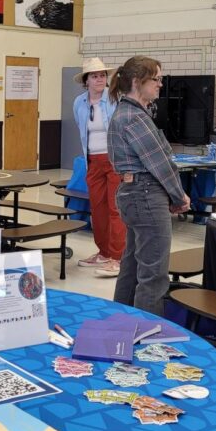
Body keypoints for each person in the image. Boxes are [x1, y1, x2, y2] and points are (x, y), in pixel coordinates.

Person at [107, 56, 191, 317]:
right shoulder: (133, 117)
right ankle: (147, 334)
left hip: (135, 194)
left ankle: (121, 322)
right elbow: (160, 164)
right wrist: (179, 196)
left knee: (132, 267)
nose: (160, 85)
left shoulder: (128, 113)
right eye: (156, 79)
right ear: (136, 81)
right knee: (153, 274)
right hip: (145, 194)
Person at [72, 56, 125, 278]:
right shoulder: (79, 103)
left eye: (102, 75)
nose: (100, 79)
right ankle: (103, 252)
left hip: (113, 160)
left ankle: (117, 256)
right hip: (92, 161)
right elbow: (82, 131)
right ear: (86, 81)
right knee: (98, 208)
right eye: (95, 76)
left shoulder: (114, 100)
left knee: (115, 208)